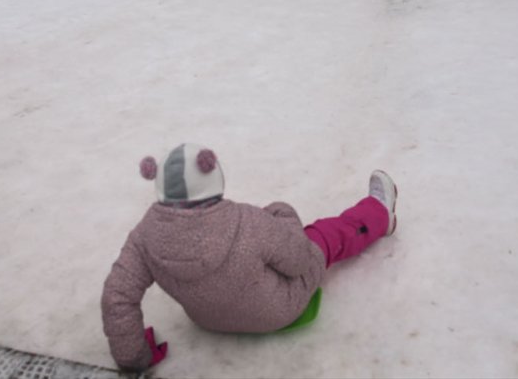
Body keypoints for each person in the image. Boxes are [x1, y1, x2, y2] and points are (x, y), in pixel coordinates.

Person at [101, 143, 398, 372]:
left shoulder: (143, 236)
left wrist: (134, 357)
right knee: (322, 237)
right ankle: (380, 214)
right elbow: (299, 261)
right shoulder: (248, 221)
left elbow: (117, 297)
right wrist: (284, 216)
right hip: (280, 310)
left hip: (209, 319)